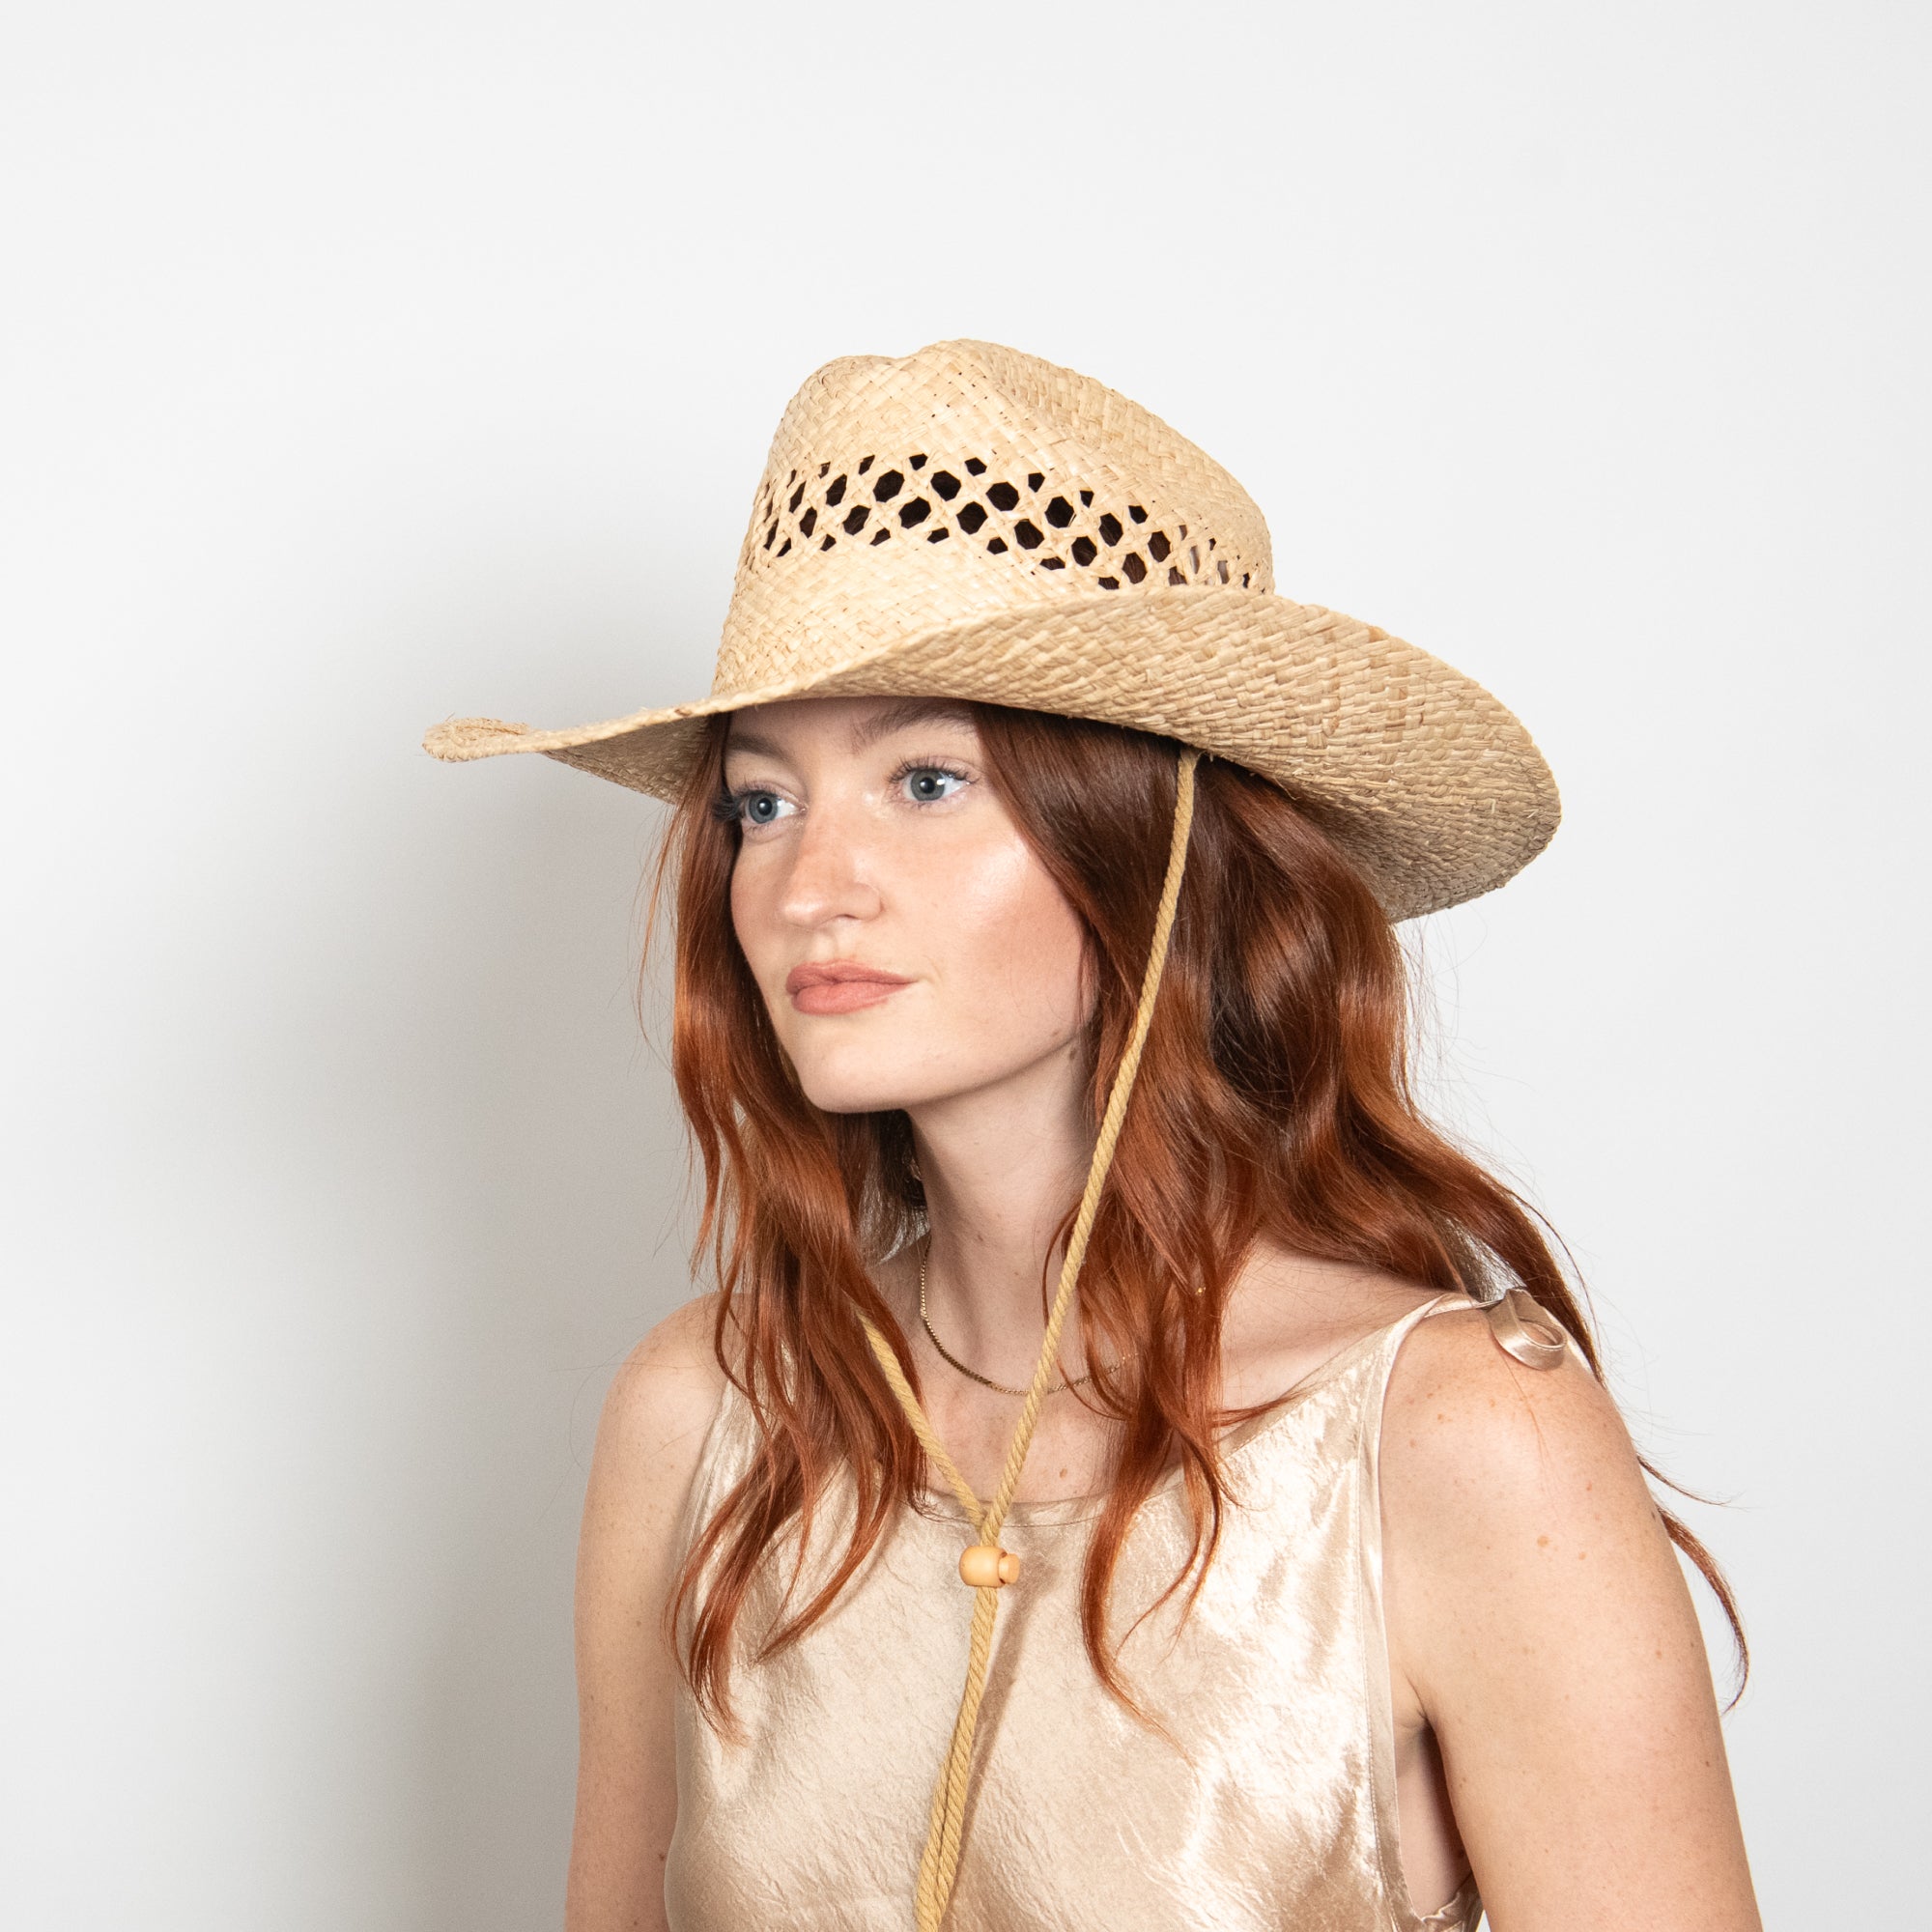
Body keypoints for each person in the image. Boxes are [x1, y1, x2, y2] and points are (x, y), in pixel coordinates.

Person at [425, 340, 1761, 1931]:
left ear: (1159, 847)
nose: (807, 882)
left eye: (926, 779)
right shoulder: (701, 1417)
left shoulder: (1459, 1442)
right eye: (759, 803)